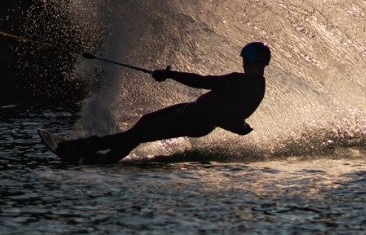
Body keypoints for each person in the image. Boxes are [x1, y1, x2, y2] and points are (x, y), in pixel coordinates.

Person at [56, 42, 270, 163]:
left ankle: (78, 148)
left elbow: (201, 82)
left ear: (248, 60)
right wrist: (239, 125)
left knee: (139, 133)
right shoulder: (258, 87)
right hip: (195, 114)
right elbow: (237, 116)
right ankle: (109, 158)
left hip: (193, 119)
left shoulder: (239, 81)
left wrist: (170, 75)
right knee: (146, 122)